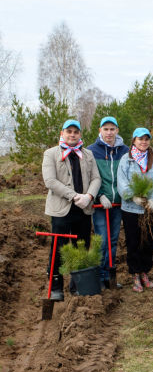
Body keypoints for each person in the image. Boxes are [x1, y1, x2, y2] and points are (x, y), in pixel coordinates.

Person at [42, 119, 101, 301]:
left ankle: (77, 284)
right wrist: (74, 196)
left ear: (80, 135)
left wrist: (89, 197)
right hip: (61, 209)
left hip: (83, 209)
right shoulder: (51, 154)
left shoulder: (88, 155)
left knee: (81, 246)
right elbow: (50, 181)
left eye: (76, 132)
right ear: (62, 133)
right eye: (69, 131)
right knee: (59, 248)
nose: (72, 135)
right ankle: (56, 286)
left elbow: (96, 179)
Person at [117, 128, 153, 292]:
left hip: (151, 208)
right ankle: (135, 274)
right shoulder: (127, 159)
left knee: (149, 241)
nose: (144, 142)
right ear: (134, 140)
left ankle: (145, 271)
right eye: (140, 139)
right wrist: (132, 197)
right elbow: (122, 181)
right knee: (133, 241)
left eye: (146, 139)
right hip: (132, 208)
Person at [88, 116, 129, 289]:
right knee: (101, 240)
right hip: (100, 204)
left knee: (113, 240)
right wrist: (99, 196)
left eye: (112, 129)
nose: (109, 132)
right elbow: (89, 177)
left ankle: (109, 275)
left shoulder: (125, 151)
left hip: (118, 204)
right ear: (100, 131)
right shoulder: (91, 151)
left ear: (117, 131)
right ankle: (99, 275)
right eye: (106, 129)